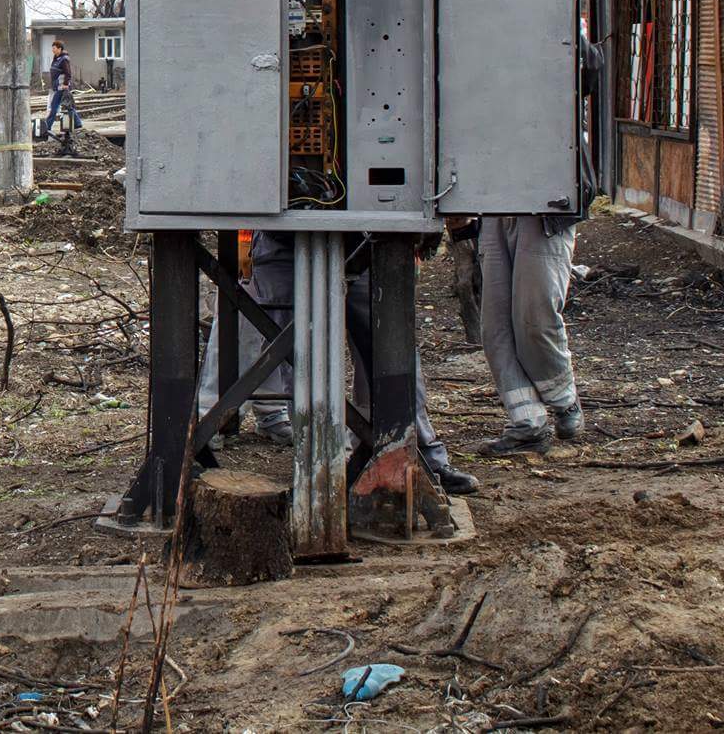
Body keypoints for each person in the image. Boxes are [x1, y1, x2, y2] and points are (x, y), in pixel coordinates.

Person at [194, 231, 480, 497]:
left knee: (390, 347)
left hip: (366, 234)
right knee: (299, 358)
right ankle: (316, 464)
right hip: (281, 238)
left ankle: (415, 453)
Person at [477, 42, 600, 454]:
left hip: (545, 206)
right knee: (496, 326)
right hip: (497, 204)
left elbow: (590, 71)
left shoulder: (557, 36)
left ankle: (564, 402)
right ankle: (526, 420)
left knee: (535, 317)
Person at [39, 39, 83, 139]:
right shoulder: (56, 58)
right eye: (52, 48)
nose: (52, 50)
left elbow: (68, 73)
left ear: (59, 49)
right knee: (63, 107)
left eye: (54, 48)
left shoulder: (64, 59)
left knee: (57, 106)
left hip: (62, 87)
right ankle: (78, 124)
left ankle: (48, 126)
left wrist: (66, 84)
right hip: (57, 87)